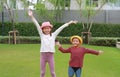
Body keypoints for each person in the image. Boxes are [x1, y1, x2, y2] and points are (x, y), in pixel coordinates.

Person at [28, 10, 78, 77]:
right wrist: (32, 16)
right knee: (42, 73)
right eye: (45, 28)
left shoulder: (54, 35)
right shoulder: (41, 35)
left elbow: (61, 28)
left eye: (48, 28)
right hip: (43, 55)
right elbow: (37, 24)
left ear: (50, 29)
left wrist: (70, 23)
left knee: (53, 73)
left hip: (50, 56)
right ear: (42, 29)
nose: (46, 30)